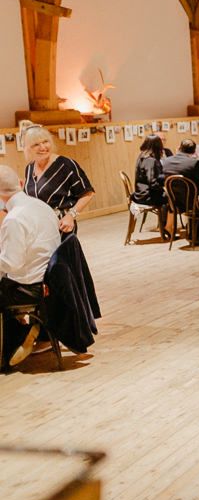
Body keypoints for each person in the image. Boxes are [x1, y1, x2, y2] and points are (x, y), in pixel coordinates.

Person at [0, 165, 62, 367]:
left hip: (27, 288)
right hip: (48, 280)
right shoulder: (41, 206)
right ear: (19, 183)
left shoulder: (14, 218)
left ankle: (13, 342)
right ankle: (21, 333)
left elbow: (11, 264)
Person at [21, 125, 95, 234]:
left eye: (45, 141)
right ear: (27, 148)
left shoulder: (66, 165)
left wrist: (71, 216)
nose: (43, 147)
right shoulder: (30, 168)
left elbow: (88, 193)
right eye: (36, 144)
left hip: (61, 227)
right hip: (37, 229)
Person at [162, 139, 199, 209]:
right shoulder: (194, 163)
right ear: (194, 151)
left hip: (173, 201)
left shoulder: (166, 161)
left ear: (179, 148)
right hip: (195, 203)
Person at [132, 134, 168, 207]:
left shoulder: (142, 156)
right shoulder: (151, 160)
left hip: (141, 193)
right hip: (147, 196)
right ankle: (163, 219)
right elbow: (153, 183)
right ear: (158, 146)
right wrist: (165, 189)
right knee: (173, 198)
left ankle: (164, 218)